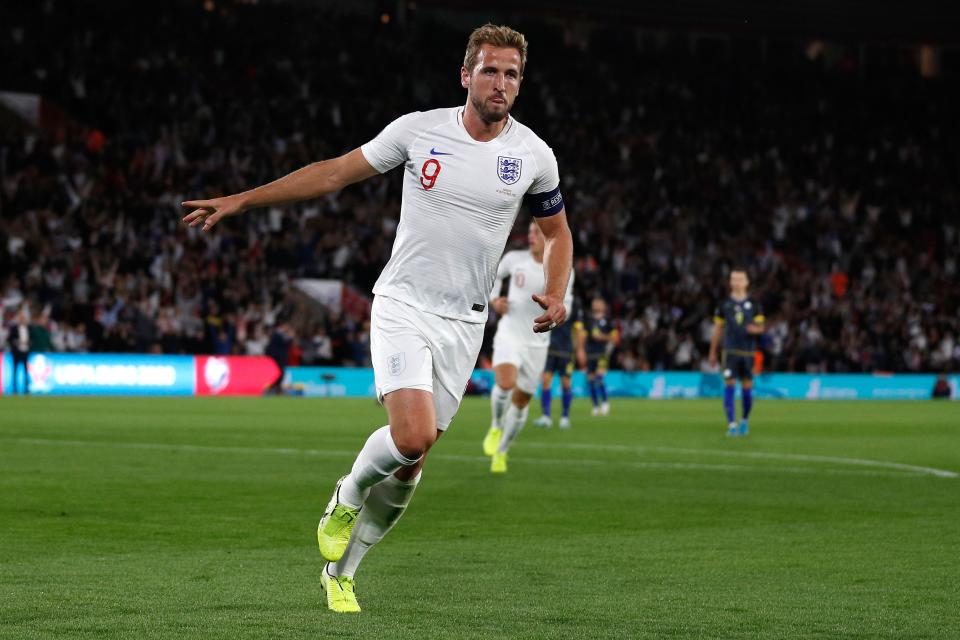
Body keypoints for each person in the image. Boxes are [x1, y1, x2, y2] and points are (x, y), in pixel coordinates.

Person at [180, 24, 572, 613]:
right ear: (465, 75)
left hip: (464, 324)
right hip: (403, 304)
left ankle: (341, 573)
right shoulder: (418, 132)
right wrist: (243, 199)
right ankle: (347, 492)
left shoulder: (534, 156)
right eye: (489, 70)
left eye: (511, 73)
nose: (500, 83)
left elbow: (557, 232)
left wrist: (558, 291)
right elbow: (335, 172)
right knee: (409, 435)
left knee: (412, 463)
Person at [483, 222, 574, 473]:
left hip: (537, 342)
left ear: (549, 239)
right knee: (505, 383)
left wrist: (554, 313)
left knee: (522, 401)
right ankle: (495, 425)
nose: (532, 236)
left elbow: (567, 306)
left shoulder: (561, 269)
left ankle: (501, 452)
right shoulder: (514, 259)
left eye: (538, 233)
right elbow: (493, 274)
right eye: (531, 232)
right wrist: (494, 299)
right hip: (509, 333)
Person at [708, 268, 765, 436]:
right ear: (730, 282)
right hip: (730, 351)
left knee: (747, 387)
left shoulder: (754, 304)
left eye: (740, 279)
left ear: (746, 282)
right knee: (729, 385)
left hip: (748, 353)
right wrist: (712, 352)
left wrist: (755, 330)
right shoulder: (724, 304)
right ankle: (731, 424)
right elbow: (717, 329)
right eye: (734, 279)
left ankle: (745, 420)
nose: (737, 282)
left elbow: (761, 327)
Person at [533, 302, 580, 429]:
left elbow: (578, 328)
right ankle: (546, 417)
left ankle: (565, 417)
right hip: (550, 349)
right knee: (546, 381)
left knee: (566, 384)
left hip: (566, 350)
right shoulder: (549, 298)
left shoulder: (573, 302)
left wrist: (579, 349)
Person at [579, 297, 618, 416]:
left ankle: (605, 403)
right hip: (590, 354)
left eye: (598, 303)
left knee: (599, 379)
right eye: (594, 303)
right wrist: (581, 351)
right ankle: (596, 406)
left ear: (603, 306)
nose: (595, 305)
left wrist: (603, 337)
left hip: (602, 354)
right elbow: (583, 336)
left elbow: (615, 338)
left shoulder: (608, 321)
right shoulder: (588, 320)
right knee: (590, 381)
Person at [8, 307, 32, 395]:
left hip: (25, 351)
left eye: (24, 318)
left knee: (26, 371)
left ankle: (26, 389)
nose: (22, 319)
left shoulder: (29, 328)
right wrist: (16, 342)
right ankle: (15, 389)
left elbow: (32, 338)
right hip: (16, 352)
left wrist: (29, 342)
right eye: (21, 317)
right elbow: (10, 339)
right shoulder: (14, 328)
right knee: (15, 370)